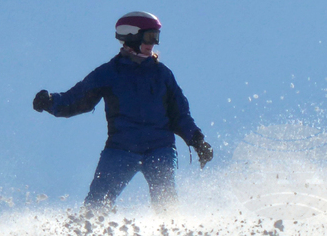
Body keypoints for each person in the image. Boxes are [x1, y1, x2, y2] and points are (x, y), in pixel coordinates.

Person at [33, 11, 212, 212]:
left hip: (159, 148)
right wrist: (50, 102)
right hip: (121, 149)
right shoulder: (109, 73)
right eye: (149, 36)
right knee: (97, 201)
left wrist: (197, 140)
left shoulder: (162, 74)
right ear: (131, 36)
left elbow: (180, 114)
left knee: (165, 198)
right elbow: (77, 100)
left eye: (156, 37)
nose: (153, 43)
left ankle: (174, 235)